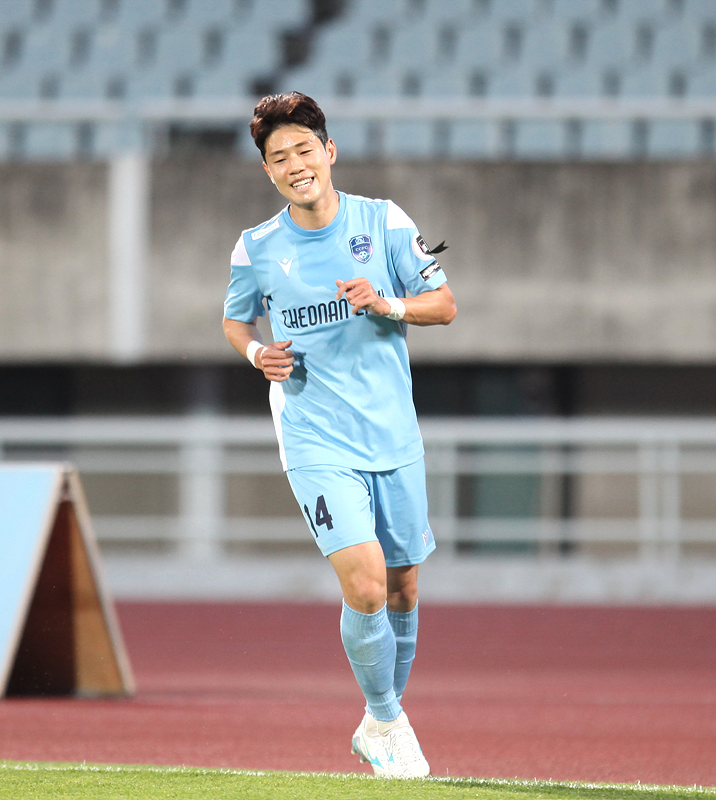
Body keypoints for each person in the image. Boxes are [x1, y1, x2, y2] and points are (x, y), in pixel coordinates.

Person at [221, 92, 457, 779]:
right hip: (314, 435)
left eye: (304, 150)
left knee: (403, 589)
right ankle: (387, 720)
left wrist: (387, 303)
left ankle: (380, 724)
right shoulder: (256, 247)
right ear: (267, 171)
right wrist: (256, 354)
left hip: (391, 432)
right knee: (366, 585)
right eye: (278, 157)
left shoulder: (383, 222)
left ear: (329, 152)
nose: (294, 165)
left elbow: (445, 305)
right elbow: (236, 320)